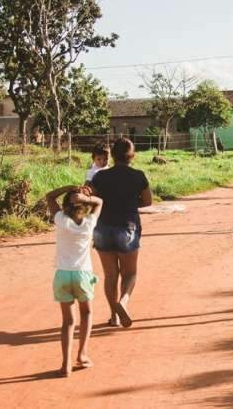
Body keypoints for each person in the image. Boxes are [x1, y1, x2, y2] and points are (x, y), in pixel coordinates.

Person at [89, 138, 152, 328]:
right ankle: (123, 301)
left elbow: (91, 198)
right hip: (128, 227)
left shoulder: (99, 176)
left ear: (113, 155)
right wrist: (131, 203)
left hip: (102, 228)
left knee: (110, 275)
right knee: (130, 272)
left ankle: (113, 316)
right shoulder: (138, 175)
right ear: (132, 156)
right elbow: (148, 201)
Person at [45, 185, 103, 377]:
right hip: (83, 274)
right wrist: (86, 197)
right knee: (86, 314)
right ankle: (82, 354)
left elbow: (49, 196)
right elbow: (100, 202)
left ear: (66, 205)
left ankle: (65, 364)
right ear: (84, 207)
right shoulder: (89, 222)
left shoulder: (60, 220)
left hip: (62, 275)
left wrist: (70, 188)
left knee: (67, 321)